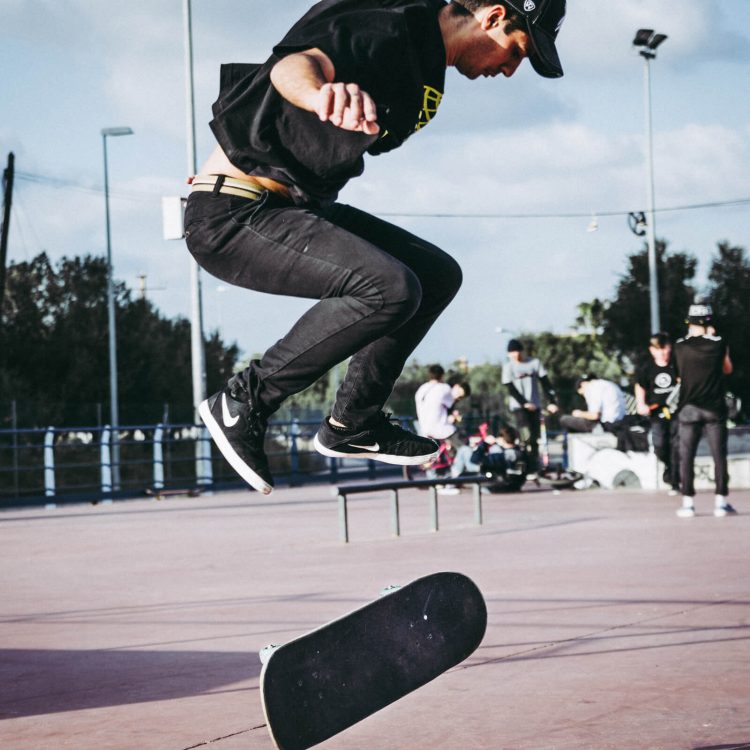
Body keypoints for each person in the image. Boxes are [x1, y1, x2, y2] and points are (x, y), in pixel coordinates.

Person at [185, 0, 567, 494]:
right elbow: (293, 66)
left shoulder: (425, 78)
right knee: (389, 287)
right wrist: (320, 92)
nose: (511, 70)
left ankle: (353, 422)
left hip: (293, 209)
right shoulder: (392, 26)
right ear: (493, 17)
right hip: (235, 215)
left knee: (435, 275)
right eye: (516, 52)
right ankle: (245, 400)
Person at [673, 303, 735, 518]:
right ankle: (721, 502)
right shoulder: (719, 344)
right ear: (709, 322)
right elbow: (727, 369)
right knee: (719, 455)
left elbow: (679, 376)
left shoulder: (679, 346)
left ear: (689, 322)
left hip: (688, 407)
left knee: (686, 456)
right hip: (714, 408)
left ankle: (688, 503)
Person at [501, 338, 558, 473]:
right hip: (519, 407)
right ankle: (523, 463)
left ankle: (534, 465)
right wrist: (524, 403)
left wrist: (552, 401)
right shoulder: (508, 367)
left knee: (535, 437)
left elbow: (546, 383)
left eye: (518, 352)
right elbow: (510, 388)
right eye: (512, 354)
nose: (516, 356)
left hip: (535, 405)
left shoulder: (534, 363)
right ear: (509, 355)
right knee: (525, 434)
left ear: (522, 351)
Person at [635, 332, 680, 495]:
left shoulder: (677, 364)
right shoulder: (647, 368)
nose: (662, 352)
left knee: (676, 446)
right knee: (660, 445)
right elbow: (640, 385)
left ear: (670, 348)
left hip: (677, 412)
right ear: (652, 350)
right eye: (658, 349)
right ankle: (669, 467)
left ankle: (675, 481)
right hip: (657, 414)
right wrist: (641, 404)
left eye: (664, 348)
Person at [415, 365, 471, 452]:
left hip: (423, 429)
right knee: (465, 446)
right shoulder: (444, 388)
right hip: (439, 429)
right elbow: (451, 404)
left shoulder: (421, 389)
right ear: (442, 376)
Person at [560, 375, 626, 433]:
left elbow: (594, 415)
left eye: (582, 394)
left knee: (564, 419)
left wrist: (579, 413)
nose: (584, 396)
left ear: (583, 384)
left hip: (607, 424)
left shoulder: (592, 387)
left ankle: (571, 441)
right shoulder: (609, 384)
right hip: (620, 421)